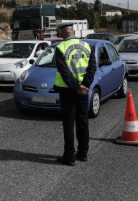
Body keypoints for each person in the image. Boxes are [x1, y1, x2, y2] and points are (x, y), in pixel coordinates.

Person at [54, 22, 96, 166]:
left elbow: (64, 72)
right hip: (83, 91)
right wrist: (84, 86)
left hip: (67, 91)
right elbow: (92, 68)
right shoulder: (87, 46)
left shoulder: (60, 48)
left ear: (62, 34)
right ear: (73, 32)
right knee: (83, 122)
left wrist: (76, 87)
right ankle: (83, 153)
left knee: (68, 124)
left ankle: (69, 157)